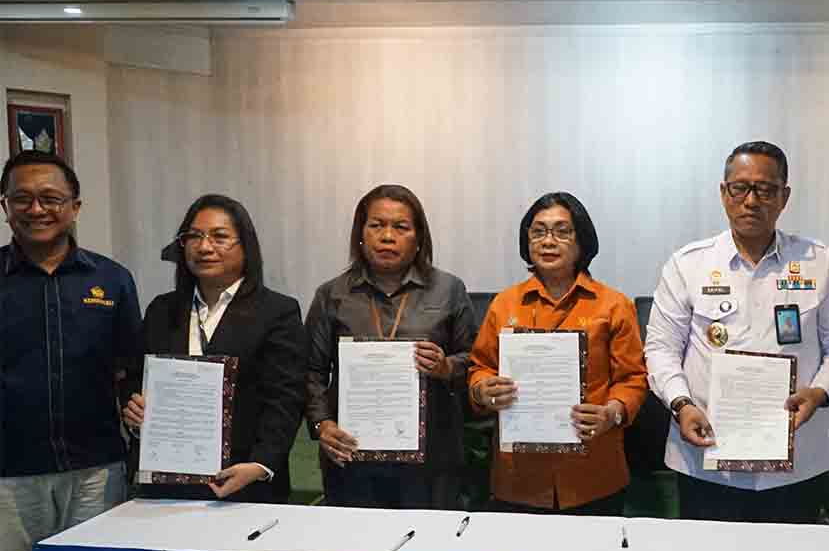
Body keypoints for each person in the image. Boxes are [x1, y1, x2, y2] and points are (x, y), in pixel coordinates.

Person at [0, 150, 142, 551]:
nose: (38, 209)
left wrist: (142, 404)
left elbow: (134, 369)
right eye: (23, 198)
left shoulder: (111, 280)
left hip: (95, 465)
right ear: (5, 207)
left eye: (51, 198)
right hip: (9, 468)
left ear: (75, 206)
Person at [644, 141, 829, 523]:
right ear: (723, 193)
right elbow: (661, 349)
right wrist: (681, 404)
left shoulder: (819, 263)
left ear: (784, 197)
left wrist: (819, 391)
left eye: (765, 189)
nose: (751, 200)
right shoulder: (688, 265)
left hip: (798, 459)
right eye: (740, 188)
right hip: (706, 454)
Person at [469, 192, 648, 514]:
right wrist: (483, 389)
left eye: (562, 231)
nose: (548, 241)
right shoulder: (504, 304)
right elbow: (479, 368)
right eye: (538, 232)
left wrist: (612, 412)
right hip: (518, 476)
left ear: (582, 241)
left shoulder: (613, 305)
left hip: (593, 474)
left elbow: (633, 378)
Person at [121, 195, 307, 502]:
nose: (204, 247)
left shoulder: (277, 311)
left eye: (219, 237)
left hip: (245, 481)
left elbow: (286, 398)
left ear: (246, 246)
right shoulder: (162, 310)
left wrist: (261, 464)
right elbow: (134, 378)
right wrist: (135, 411)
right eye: (194, 236)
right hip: (166, 481)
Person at [305, 184, 477, 509]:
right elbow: (310, 371)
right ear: (360, 234)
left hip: (431, 460)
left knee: (429, 539)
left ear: (419, 238)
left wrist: (445, 367)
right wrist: (321, 424)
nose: (387, 236)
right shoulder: (332, 295)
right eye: (376, 225)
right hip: (352, 455)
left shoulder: (449, 290)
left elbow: (475, 363)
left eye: (400, 227)